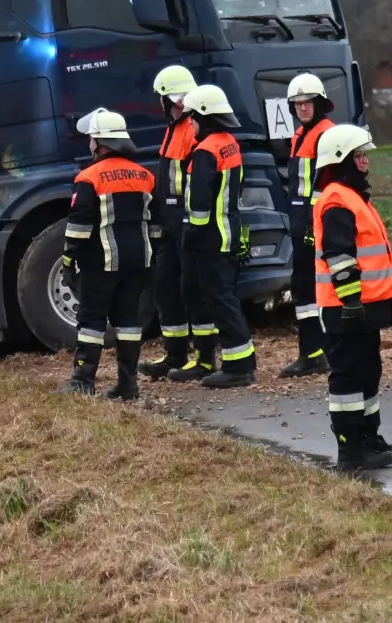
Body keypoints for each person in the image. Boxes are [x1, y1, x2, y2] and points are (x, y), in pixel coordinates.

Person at [312, 123, 392, 470]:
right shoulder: (337, 199)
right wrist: (351, 301)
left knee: (368, 370)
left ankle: (369, 437)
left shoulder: (350, 196)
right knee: (349, 374)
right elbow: (339, 256)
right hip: (348, 306)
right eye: (360, 155)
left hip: (364, 305)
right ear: (342, 159)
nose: (365, 161)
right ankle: (351, 449)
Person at [59, 109, 158, 400]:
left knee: (91, 320)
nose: (89, 144)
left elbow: (78, 227)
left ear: (100, 143)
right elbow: (155, 222)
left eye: (91, 139)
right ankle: (128, 385)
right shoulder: (145, 176)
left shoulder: (89, 178)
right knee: (128, 321)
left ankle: (82, 381)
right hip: (138, 261)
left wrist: (68, 260)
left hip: (100, 263)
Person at [168, 83, 257, 388]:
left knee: (221, 300)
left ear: (204, 116)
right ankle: (218, 361)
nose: (189, 123)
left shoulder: (205, 151)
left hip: (209, 239)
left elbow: (200, 204)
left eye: (192, 117)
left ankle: (239, 367)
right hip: (227, 233)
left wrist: (190, 236)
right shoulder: (229, 142)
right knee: (214, 297)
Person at [139, 66, 202, 380]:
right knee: (166, 288)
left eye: (162, 98)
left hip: (186, 222)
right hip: (169, 223)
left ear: (169, 99)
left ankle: (203, 358)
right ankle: (175, 355)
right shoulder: (173, 128)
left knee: (192, 290)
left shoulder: (191, 129)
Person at [280, 72, 336, 379]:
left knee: (307, 289)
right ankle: (316, 351)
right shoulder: (302, 135)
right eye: (297, 104)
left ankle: (314, 353)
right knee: (307, 289)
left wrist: (314, 227)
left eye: (307, 102)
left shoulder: (324, 134)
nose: (302, 108)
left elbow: (323, 188)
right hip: (304, 224)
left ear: (319, 104)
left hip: (313, 226)